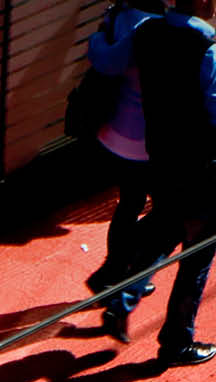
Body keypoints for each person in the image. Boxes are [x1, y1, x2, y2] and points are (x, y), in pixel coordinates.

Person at [100, 0, 216, 362]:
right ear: (202, 3)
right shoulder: (207, 50)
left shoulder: (146, 32)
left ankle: (122, 297)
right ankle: (177, 340)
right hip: (202, 166)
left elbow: (108, 60)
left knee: (165, 224)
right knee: (198, 252)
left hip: (161, 155)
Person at [85, 0, 165, 337]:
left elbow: (105, 59)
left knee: (129, 203)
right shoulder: (150, 26)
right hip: (145, 139)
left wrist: (96, 38)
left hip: (118, 132)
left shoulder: (120, 15)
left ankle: (117, 270)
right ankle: (119, 271)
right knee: (164, 213)